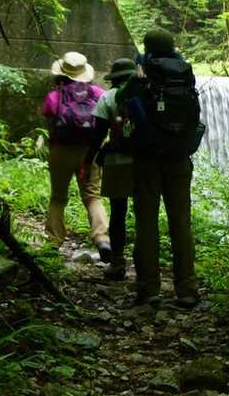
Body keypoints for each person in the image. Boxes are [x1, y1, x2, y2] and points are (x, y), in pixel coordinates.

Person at [119, 28, 205, 308]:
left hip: (147, 158)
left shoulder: (144, 72)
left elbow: (121, 99)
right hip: (179, 157)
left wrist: (137, 77)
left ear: (147, 47)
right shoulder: (184, 72)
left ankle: (149, 288)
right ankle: (187, 288)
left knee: (146, 222)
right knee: (181, 223)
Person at [41, 51, 109, 256]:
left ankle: (53, 242)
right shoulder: (98, 93)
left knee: (58, 198)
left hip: (61, 151)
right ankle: (102, 238)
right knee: (92, 196)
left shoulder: (54, 96)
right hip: (90, 152)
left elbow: (50, 123)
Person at [89, 57, 140, 282]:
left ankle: (118, 263)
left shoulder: (108, 97)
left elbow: (98, 134)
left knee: (118, 212)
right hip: (143, 161)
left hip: (117, 161)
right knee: (144, 214)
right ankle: (145, 266)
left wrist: (88, 160)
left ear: (114, 79)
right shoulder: (144, 94)